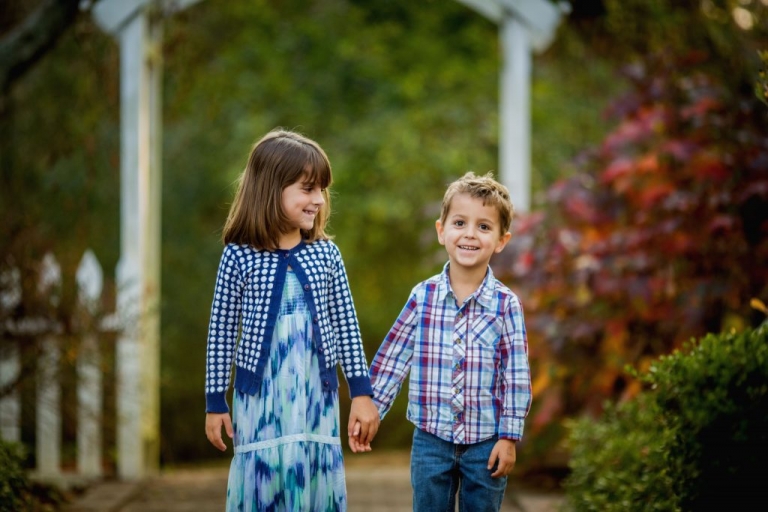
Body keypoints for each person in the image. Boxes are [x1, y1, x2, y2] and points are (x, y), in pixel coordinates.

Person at [204, 129, 379, 511]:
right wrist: (215, 400)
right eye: (308, 189)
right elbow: (221, 331)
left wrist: (362, 394)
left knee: (313, 482)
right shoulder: (238, 256)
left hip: (316, 397)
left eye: (322, 190)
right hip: (260, 401)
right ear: (271, 189)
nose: (319, 199)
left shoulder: (326, 255)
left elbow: (347, 326)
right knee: (266, 485)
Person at [369, 172, 532, 512]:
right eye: (460, 223)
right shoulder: (423, 296)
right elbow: (393, 358)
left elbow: (515, 377)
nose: (470, 233)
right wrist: (371, 409)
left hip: (487, 442)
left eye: (484, 226)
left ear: (501, 240)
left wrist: (509, 437)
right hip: (431, 439)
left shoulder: (506, 305)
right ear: (441, 230)